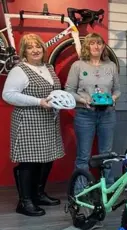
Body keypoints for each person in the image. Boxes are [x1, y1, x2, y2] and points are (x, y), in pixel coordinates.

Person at [2, 33, 64, 216]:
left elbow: (56, 91)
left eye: (38, 46)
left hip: (48, 120)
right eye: (30, 47)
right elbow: (8, 94)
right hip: (28, 120)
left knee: (46, 159)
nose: (35, 50)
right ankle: (25, 201)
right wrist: (38, 101)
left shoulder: (49, 67)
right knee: (29, 162)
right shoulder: (19, 70)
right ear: (24, 51)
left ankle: (38, 194)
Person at [65, 32, 120, 185]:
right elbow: (69, 90)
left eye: (99, 43)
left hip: (108, 114)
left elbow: (117, 89)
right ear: (87, 46)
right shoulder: (78, 66)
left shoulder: (111, 66)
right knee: (83, 155)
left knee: (107, 154)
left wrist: (113, 98)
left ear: (103, 46)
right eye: (92, 43)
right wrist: (82, 100)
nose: (96, 46)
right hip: (84, 114)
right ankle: (80, 191)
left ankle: (107, 189)